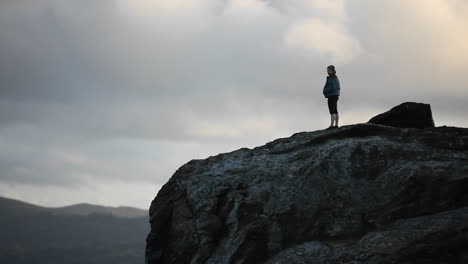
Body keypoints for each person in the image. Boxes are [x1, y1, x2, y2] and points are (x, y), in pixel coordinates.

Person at [322, 65, 340, 129]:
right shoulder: (334, 77)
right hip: (335, 95)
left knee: (332, 110)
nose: (327, 72)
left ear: (332, 71)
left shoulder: (332, 78)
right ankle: (336, 125)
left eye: (329, 70)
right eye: (327, 70)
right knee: (335, 110)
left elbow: (332, 87)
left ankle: (332, 125)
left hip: (332, 95)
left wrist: (325, 91)